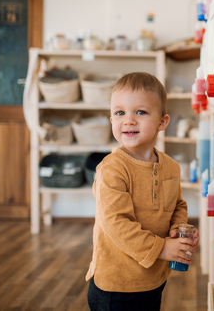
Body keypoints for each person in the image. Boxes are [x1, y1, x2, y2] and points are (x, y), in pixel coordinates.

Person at [86, 72, 199, 311]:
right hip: (115, 286)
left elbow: (177, 205)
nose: (128, 120)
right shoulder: (111, 169)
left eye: (140, 112)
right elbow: (116, 223)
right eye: (120, 113)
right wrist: (162, 248)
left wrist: (177, 229)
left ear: (162, 122)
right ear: (112, 120)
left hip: (152, 279)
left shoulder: (171, 167)